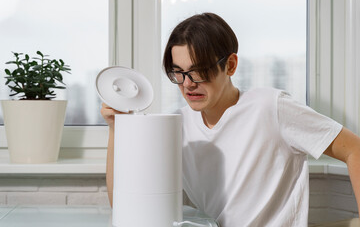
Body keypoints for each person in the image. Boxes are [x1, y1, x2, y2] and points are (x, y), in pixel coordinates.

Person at [101, 12, 360, 226]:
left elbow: (354, 149)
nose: (188, 85)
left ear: (231, 65)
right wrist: (115, 129)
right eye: (179, 73)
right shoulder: (177, 125)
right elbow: (125, 206)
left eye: (199, 71)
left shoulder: (270, 107)